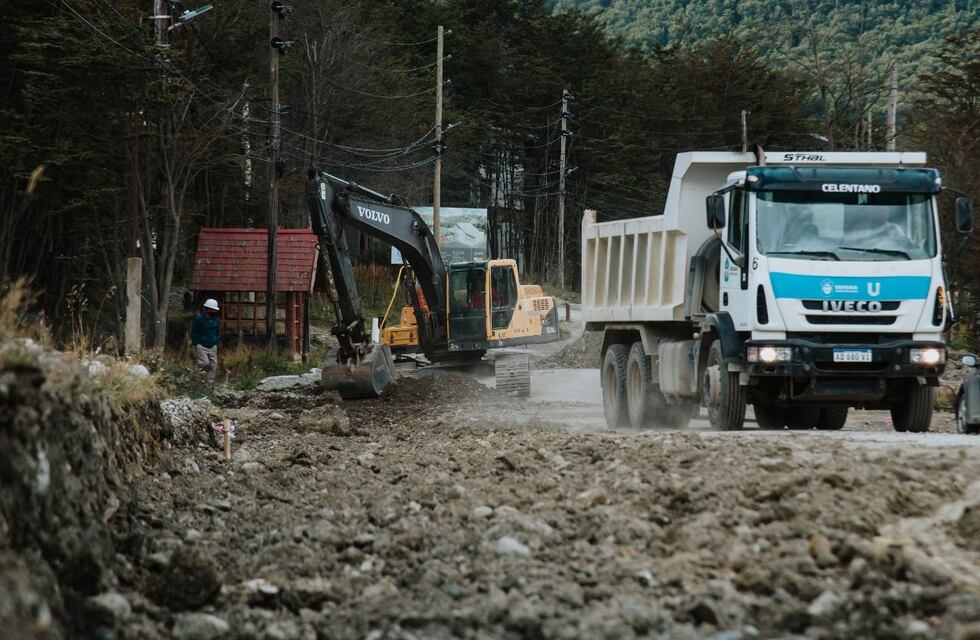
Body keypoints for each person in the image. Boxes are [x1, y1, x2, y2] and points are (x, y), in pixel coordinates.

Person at [191, 299, 220, 385]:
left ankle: (209, 384)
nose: (214, 312)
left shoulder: (215, 320)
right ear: (207, 309)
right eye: (213, 310)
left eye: (215, 310)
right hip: (201, 345)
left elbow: (217, 332)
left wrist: (216, 342)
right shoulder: (198, 320)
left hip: (212, 345)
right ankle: (196, 378)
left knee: (213, 365)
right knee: (204, 363)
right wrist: (196, 343)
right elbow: (194, 332)